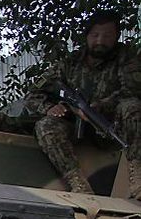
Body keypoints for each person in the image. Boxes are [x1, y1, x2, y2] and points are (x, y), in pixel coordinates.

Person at [26, 10, 141, 197]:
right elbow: (33, 94)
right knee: (45, 126)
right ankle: (78, 183)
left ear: (117, 37)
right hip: (77, 127)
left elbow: (133, 91)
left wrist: (96, 108)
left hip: (113, 125)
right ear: (87, 36)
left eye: (107, 35)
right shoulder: (70, 63)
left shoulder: (126, 58)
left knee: (132, 106)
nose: (100, 41)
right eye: (95, 35)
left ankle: (136, 174)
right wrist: (49, 108)